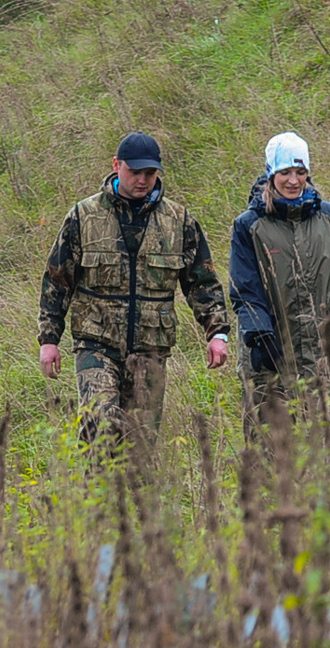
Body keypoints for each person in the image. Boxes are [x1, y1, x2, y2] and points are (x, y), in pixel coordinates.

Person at [39, 132, 230, 453]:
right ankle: (98, 502)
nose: (142, 180)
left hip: (150, 349)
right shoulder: (83, 217)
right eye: (134, 172)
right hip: (96, 344)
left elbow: (202, 281)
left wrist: (217, 333)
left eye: (150, 173)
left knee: (140, 447)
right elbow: (57, 280)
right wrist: (49, 339)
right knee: (101, 429)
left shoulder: (178, 221)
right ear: (117, 166)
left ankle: (132, 502)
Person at [228, 133, 330, 435]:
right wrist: (259, 334)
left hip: (327, 353)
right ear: (271, 174)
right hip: (270, 355)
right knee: (271, 451)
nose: (293, 181)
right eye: (285, 173)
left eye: (300, 172)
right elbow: (245, 291)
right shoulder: (249, 225)